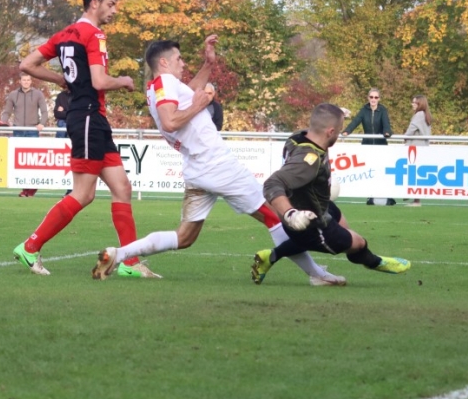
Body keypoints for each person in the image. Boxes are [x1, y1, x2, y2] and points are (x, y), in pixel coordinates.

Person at [90, 36, 345, 286]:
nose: (182, 64)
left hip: (197, 169)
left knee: (185, 237)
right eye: (178, 59)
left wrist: (209, 65)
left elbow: (189, 94)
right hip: (217, 164)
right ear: (164, 63)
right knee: (275, 216)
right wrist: (201, 103)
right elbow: (171, 120)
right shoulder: (166, 82)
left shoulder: (161, 86)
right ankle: (317, 275)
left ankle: (119, 254)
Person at [12, 0, 151, 278]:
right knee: (83, 194)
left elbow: (27, 64)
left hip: (91, 118)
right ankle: (30, 246)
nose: (114, 11)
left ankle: (129, 263)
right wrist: (123, 81)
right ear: (94, 3)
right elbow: (100, 82)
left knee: (122, 188)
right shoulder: (94, 34)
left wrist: (59, 79)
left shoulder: (64, 34)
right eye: (111, 4)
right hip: (87, 116)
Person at [251, 103, 411, 284]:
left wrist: (338, 114)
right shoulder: (308, 160)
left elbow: (320, 122)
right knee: (358, 244)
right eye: (338, 131)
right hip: (310, 222)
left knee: (345, 229)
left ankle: (271, 256)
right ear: (330, 131)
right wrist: (291, 214)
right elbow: (273, 183)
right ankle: (375, 262)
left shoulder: (298, 137)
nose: (339, 135)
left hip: (319, 205)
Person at [0, 72, 49, 198]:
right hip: (18, 130)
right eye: (24, 80)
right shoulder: (13, 95)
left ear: (31, 81)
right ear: (19, 81)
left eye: (28, 80)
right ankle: (25, 189)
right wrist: (3, 121)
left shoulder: (38, 94)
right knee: (20, 161)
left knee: (32, 161)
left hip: (32, 131)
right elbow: (7, 111)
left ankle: (32, 188)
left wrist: (42, 123)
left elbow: (44, 111)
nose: (26, 82)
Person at [342, 87, 393, 205]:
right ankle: (370, 196)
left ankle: (386, 196)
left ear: (379, 99)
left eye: (376, 97)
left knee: (381, 171)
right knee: (369, 171)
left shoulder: (383, 110)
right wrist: (347, 131)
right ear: (368, 98)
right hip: (367, 145)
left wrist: (387, 132)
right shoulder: (364, 110)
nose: (373, 99)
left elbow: (386, 124)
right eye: (371, 97)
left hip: (381, 146)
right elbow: (356, 121)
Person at [403, 94, 432, 206]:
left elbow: (411, 129)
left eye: (415, 103)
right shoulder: (425, 115)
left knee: (411, 172)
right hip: (422, 146)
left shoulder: (419, 115)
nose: (412, 104)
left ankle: (413, 197)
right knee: (415, 174)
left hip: (416, 147)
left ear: (420, 104)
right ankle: (413, 197)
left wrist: (404, 137)